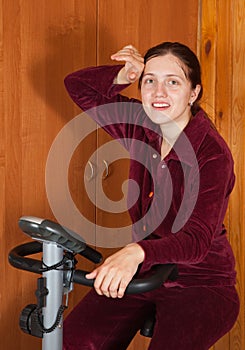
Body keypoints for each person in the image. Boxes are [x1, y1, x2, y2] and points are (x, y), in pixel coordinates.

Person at [63, 42, 239, 350]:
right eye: (149, 80)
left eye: (173, 82)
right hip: (145, 273)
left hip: (201, 282)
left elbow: (197, 240)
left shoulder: (212, 155)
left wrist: (136, 252)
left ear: (193, 93)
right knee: (74, 341)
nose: (159, 92)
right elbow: (78, 87)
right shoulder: (141, 124)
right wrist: (124, 74)